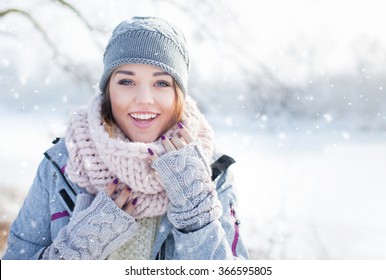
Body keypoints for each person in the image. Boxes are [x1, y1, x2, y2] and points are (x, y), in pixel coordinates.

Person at [2, 16, 249, 260]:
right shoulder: (61, 165)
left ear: (179, 95)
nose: (143, 98)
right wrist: (79, 248)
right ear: (109, 89)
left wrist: (196, 214)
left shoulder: (211, 171)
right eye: (127, 81)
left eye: (161, 82)